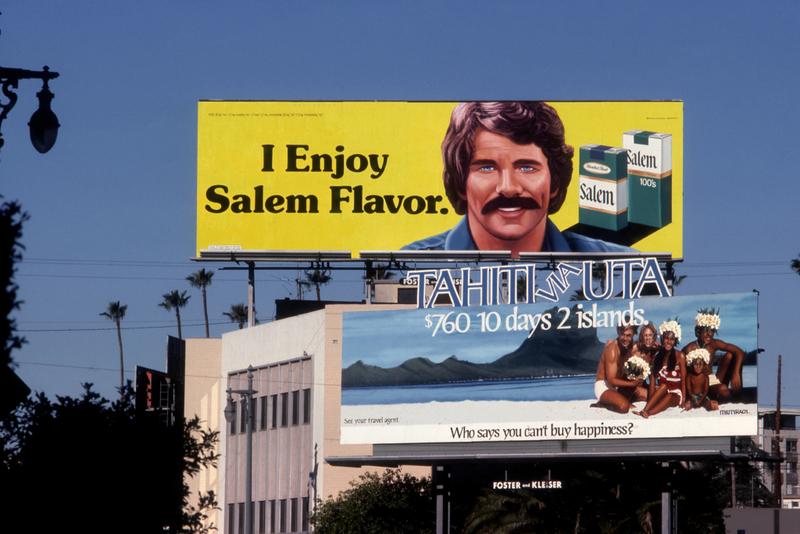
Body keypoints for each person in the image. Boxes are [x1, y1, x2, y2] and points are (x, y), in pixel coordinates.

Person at [401, 102, 635, 257]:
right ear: (461, 184)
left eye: (526, 167)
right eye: (486, 168)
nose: (508, 188)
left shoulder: (623, 266)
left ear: (554, 182)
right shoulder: (408, 268)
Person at [681, 308, 744, 402]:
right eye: (706, 330)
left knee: (730, 355)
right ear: (697, 332)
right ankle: (724, 392)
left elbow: (739, 351)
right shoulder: (688, 349)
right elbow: (683, 373)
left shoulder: (713, 344)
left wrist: (735, 373)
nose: (710, 334)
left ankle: (738, 391)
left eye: (712, 331)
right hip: (700, 385)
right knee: (724, 391)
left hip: (713, 380)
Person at [633, 320, 685, 419]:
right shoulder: (656, 358)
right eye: (666, 338)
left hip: (674, 393)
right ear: (662, 338)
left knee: (669, 396)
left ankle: (649, 413)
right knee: (662, 386)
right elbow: (652, 382)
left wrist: (684, 399)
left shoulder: (680, 356)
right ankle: (645, 409)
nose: (669, 341)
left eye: (672, 339)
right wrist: (650, 401)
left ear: (675, 340)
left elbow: (684, 378)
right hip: (662, 390)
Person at [593, 324, 642, 413]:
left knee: (634, 367)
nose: (625, 338)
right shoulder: (612, 349)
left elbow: (645, 346)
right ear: (618, 332)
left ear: (634, 334)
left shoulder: (630, 346)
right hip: (604, 386)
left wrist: (655, 344)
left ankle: (621, 399)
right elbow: (611, 382)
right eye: (622, 334)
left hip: (617, 386)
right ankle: (603, 404)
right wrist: (632, 384)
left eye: (628, 335)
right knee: (624, 407)